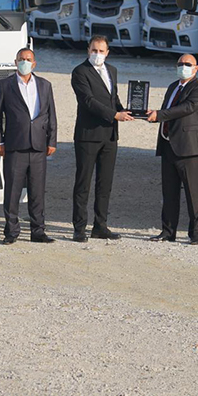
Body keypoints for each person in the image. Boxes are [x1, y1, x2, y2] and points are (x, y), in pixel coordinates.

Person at [0, 47, 57, 245]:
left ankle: (38, 231)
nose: (25, 62)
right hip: (15, 146)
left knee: (37, 191)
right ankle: (11, 232)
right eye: (21, 59)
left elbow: (51, 115)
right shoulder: (5, 85)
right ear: (15, 62)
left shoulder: (45, 85)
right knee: (13, 191)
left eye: (28, 59)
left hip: (38, 146)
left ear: (34, 63)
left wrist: (52, 140)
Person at [70, 35, 133, 242]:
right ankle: (79, 227)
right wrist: (115, 115)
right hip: (88, 135)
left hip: (109, 136)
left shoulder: (111, 70)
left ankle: (100, 225)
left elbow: (113, 98)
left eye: (101, 51)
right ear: (88, 50)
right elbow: (88, 101)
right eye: (94, 50)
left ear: (107, 52)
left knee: (104, 183)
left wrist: (128, 110)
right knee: (83, 183)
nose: (97, 54)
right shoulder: (80, 72)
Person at [146, 53, 198, 245]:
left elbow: (186, 108)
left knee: (194, 194)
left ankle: (196, 233)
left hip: (189, 149)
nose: (183, 67)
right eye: (180, 63)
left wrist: (159, 115)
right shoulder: (173, 87)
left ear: (196, 68)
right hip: (168, 145)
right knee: (169, 193)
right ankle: (168, 232)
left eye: (188, 64)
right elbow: (167, 110)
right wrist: (151, 114)